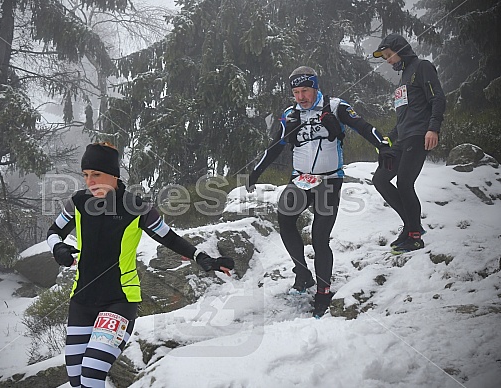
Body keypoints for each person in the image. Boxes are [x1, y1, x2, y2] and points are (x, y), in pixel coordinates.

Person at [46, 142, 235, 388]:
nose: (90, 182)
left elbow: (169, 237)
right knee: (76, 378)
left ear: (113, 175)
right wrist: (58, 248)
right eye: (86, 176)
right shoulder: (78, 202)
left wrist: (201, 257)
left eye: (96, 175)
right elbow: (53, 232)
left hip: (119, 300)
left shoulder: (137, 207)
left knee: (91, 374)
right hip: (81, 301)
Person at [246, 66, 392, 318]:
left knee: (319, 236)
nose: (301, 97)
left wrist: (383, 146)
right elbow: (274, 147)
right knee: (285, 217)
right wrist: (255, 172)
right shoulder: (290, 114)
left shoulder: (336, 107)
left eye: (305, 90)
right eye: (296, 92)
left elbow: (364, 127)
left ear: (315, 87)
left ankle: (323, 292)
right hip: (301, 180)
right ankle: (302, 274)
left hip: (329, 181)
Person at [371, 33, 446, 254]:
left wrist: (433, 128)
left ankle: (414, 237)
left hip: (418, 135)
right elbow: (404, 117)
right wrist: (388, 139)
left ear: (400, 50)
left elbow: (438, 98)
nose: (387, 60)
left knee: (404, 183)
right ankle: (412, 226)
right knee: (381, 179)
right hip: (402, 139)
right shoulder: (403, 77)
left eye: (388, 55)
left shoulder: (422, 67)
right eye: (384, 57)